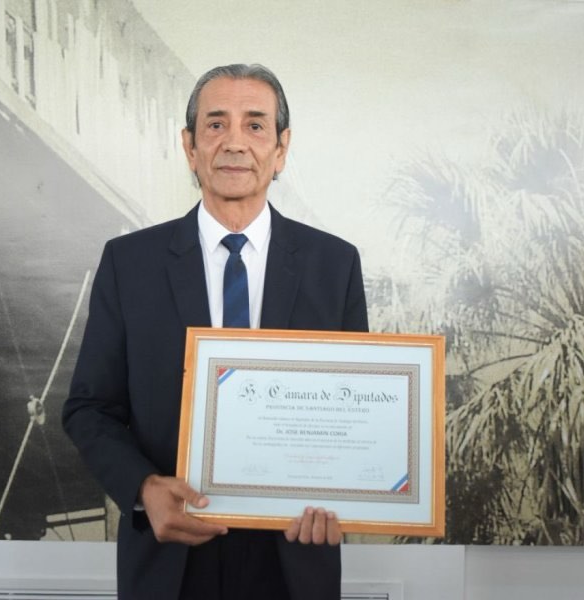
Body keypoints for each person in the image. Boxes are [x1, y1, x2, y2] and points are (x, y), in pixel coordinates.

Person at [63, 64, 368, 600]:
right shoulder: (129, 264)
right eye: (216, 124)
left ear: (281, 148)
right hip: (170, 562)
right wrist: (142, 490)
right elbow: (89, 408)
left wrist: (341, 494)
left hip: (293, 561)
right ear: (190, 146)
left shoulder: (334, 265)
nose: (234, 142)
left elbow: (355, 413)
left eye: (255, 125)